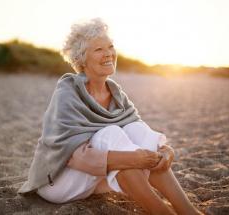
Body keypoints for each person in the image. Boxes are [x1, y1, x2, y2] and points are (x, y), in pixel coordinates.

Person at [18, 18, 202, 215]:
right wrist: (134, 159)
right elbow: (73, 158)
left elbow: (142, 135)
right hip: (58, 180)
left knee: (134, 128)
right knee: (111, 134)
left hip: (93, 179)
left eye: (110, 47)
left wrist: (165, 152)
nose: (108, 54)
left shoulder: (116, 93)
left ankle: (189, 211)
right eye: (98, 50)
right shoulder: (68, 93)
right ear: (82, 59)